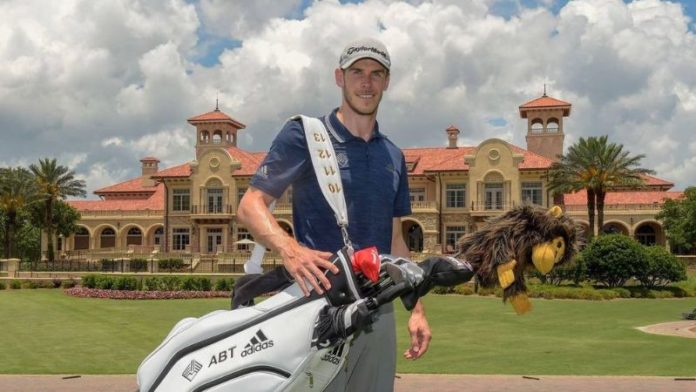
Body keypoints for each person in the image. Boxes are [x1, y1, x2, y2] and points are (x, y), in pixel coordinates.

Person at [237, 37, 431, 391]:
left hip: (379, 305)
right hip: (319, 302)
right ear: (339, 77)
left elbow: (396, 239)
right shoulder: (306, 135)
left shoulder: (393, 156)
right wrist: (290, 249)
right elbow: (250, 205)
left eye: (376, 73)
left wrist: (415, 309)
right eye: (357, 72)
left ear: (387, 82)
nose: (366, 82)